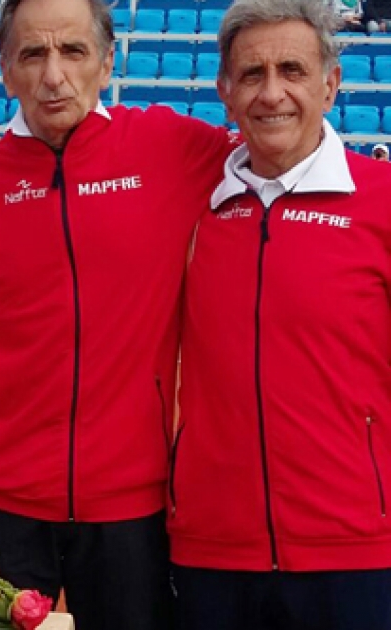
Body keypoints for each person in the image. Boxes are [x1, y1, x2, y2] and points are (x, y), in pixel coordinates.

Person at [0, 0, 233, 627]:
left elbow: (278, 142)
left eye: (73, 52)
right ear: (5, 70)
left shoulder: (170, 147)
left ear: (106, 61)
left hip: (131, 506)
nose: (53, 76)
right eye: (32, 55)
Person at [169, 1, 391, 628]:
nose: (272, 94)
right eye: (251, 74)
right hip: (212, 553)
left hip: (355, 554)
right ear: (224, 92)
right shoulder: (190, 197)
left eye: (292, 69)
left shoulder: (382, 203)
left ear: (331, 83)